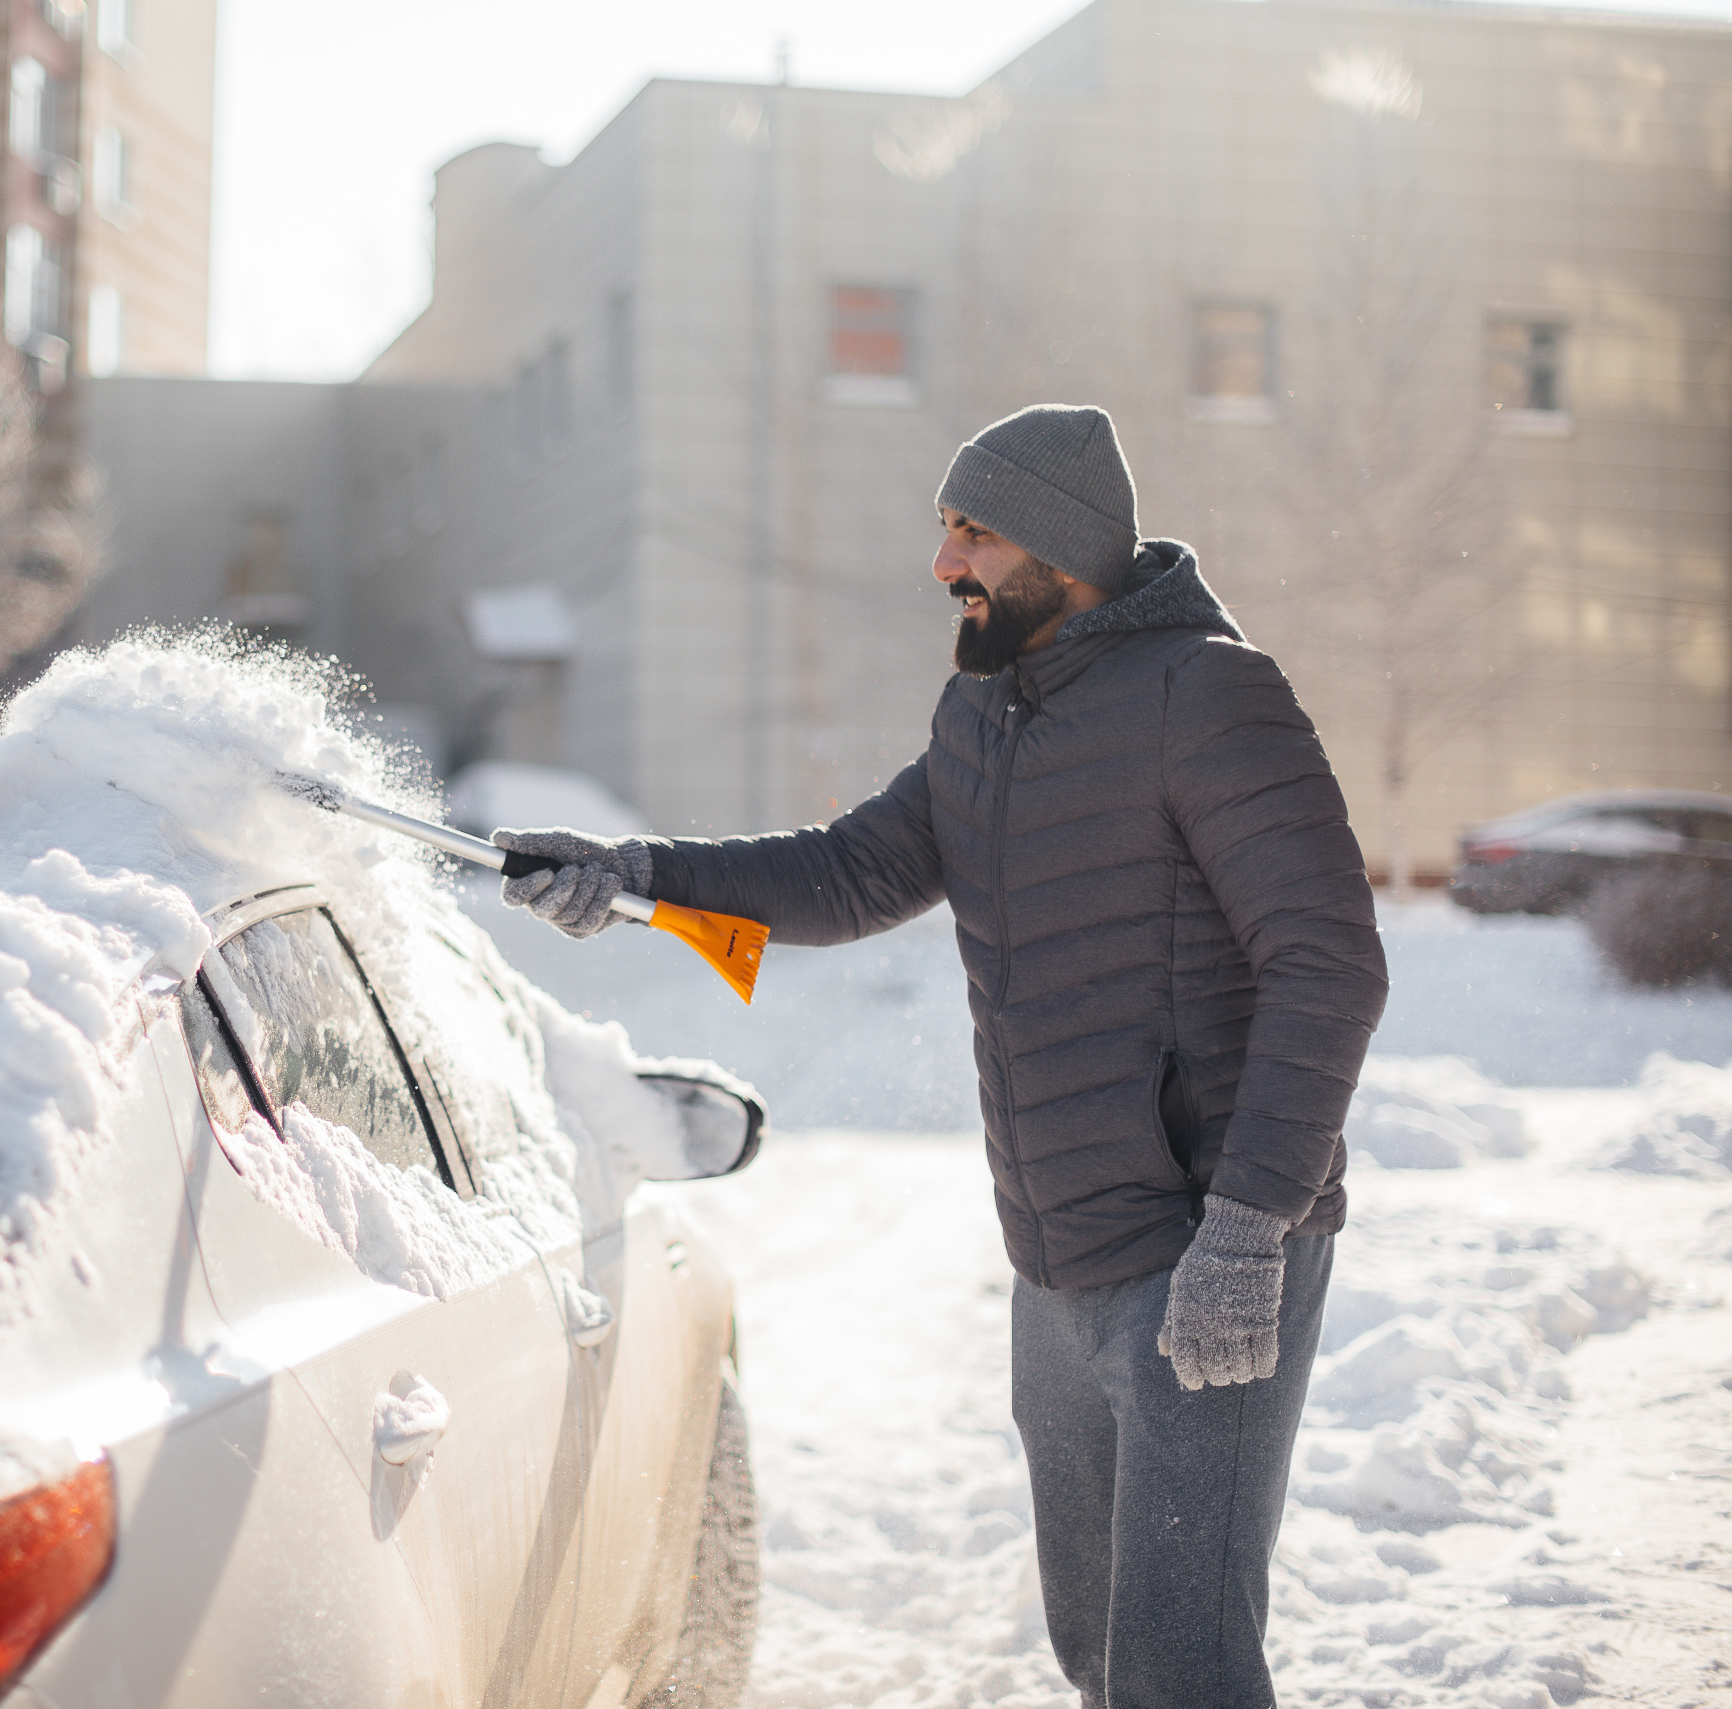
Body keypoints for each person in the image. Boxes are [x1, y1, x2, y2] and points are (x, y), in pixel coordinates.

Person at [495, 403, 1388, 1709]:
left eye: (974, 530)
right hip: (1060, 1259)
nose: (945, 563)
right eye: (946, 530)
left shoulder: (1208, 694)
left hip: (1208, 1248)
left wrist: (1249, 1228)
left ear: (1063, 547)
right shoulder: (990, 717)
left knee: (1179, 1671)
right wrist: (637, 879)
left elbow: (1330, 962)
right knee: (1097, 1649)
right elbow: (851, 871)